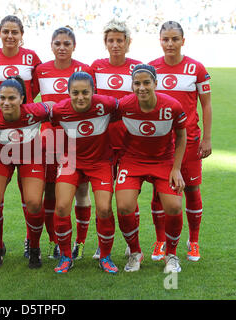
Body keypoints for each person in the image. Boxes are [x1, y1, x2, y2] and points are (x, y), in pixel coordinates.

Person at [0, 15, 42, 257]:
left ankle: (32, 244)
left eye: (15, 32)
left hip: (28, 137)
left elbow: (38, 88)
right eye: (6, 31)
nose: (10, 36)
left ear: (21, 34)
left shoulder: (31, 58)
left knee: (33, 200)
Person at [149, 21, 212, 262]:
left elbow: (206, 104)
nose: (170, 44)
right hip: (160, 144)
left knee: (192, 190)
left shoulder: (196, 68)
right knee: (158, 192)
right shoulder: (152, 68)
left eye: (175, 39)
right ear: (160, 40)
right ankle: (160, 240)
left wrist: (206, 138)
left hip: (190, 140)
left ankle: (193, 241)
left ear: (183, 41)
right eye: (166, 39)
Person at [116, 64, 187, 273]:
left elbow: (182, 135)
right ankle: (135, 252)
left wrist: (176, 168)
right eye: (137, 83)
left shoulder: (172, 106)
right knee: (124, 206)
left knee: (173, 206)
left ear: (156, 83)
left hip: (163, 161)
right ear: (132, 85)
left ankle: (171, 254)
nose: (141, 87)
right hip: (132, 160)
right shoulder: (123, 106)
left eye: (146, 82)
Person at [0, 76, 54, 269]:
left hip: (31, 155)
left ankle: (34, 247)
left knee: (34, 202)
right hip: (1, 156)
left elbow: (58, 108)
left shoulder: (36, 111)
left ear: (22, 98)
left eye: (12, 98)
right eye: (2, 98)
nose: (6, 102)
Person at [33, 27, 93, 260]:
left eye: (67, 43)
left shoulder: (84, 70)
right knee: (50, 190)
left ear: (74, 46)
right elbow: (29, 100)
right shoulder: (42, 70)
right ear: (51, 45)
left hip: (77, 138)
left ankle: (80, 242)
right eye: (57, 43)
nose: (62, 47)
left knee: (80, 189)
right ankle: (54, 241)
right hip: (50, 139)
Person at [50, 72, 119, 274]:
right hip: (71, 161)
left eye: (85, 92)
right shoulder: (59, 110)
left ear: (93, 91)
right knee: (62, 207)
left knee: (105, 208)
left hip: (100, 162)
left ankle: (105, 256)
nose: (80, 97)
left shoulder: (107, 104)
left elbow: (129, 106)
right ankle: (65, 256)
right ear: (68, 92)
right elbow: (39, 114)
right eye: (75, 93)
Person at [90, 19, 143, 260]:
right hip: (102, 142)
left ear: (128, 43)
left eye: (119, 40)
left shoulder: (137, 69)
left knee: (129, 196)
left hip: (132, 142)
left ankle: (132, 242)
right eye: (111, 40)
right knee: (104, 196)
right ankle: (104, 244)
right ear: (105, 43)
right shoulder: (96, 67)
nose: (115, 44)